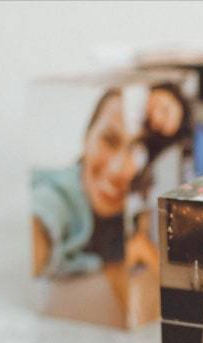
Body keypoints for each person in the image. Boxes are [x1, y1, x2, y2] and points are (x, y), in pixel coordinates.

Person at [31, 89, 158, 326]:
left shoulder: (136, 212)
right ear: (86, 138)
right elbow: (43, 214)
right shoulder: (56, 196)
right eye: (109, 140)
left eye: (136, 149)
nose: (117, 168)